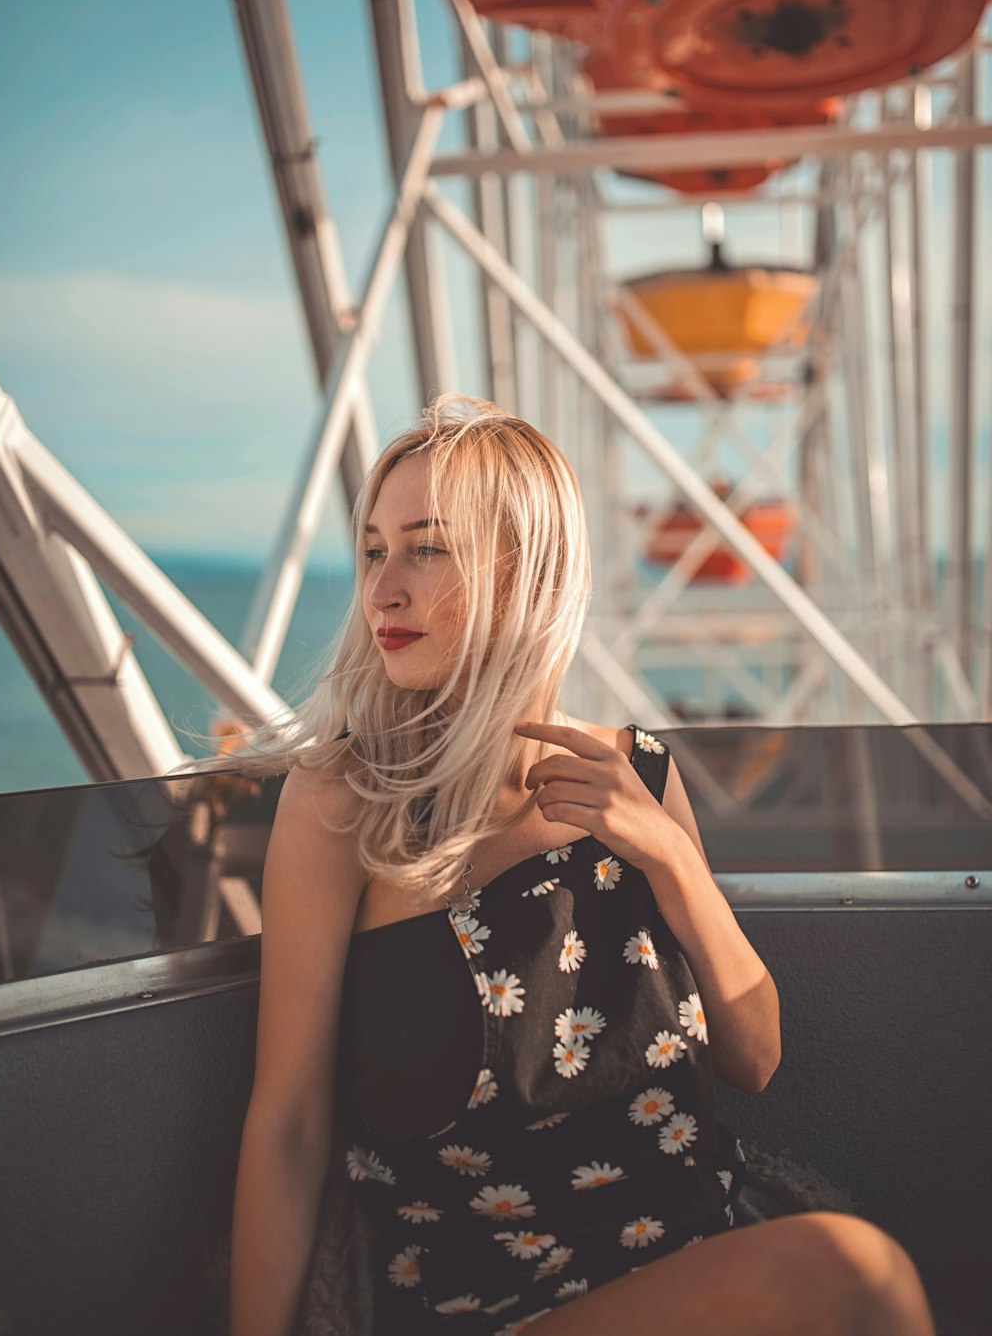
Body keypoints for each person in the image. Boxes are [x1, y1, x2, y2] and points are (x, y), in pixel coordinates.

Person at [211, 395, 936, 1336]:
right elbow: (289, 1129)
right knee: (850, 1271)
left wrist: (671, 856)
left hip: (696, 1253)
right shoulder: (344, 800)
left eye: (427, 548)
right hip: (492, 1299)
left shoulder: (633, 775)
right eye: (374, 549)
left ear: (529, 571)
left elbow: (755, 1058)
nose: (383, 588)